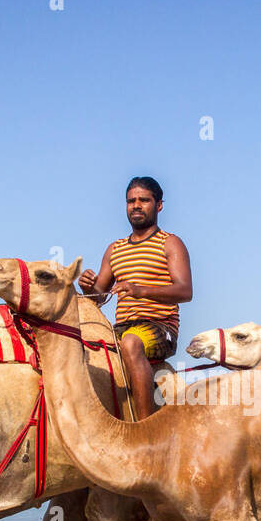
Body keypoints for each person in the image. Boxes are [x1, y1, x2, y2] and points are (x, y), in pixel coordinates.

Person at [78, 176, 193, 419]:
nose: (136, 205)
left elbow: (185, 291)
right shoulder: (115, 249)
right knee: (77, 345)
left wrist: (141, 290)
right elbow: (98, 296)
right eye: (131, 201)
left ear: (159, 205)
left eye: (144, 200)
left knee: (131, 342)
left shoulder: (170, 243)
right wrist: (86, 285)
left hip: (160, 327)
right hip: (120, 328)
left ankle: (144, 427)